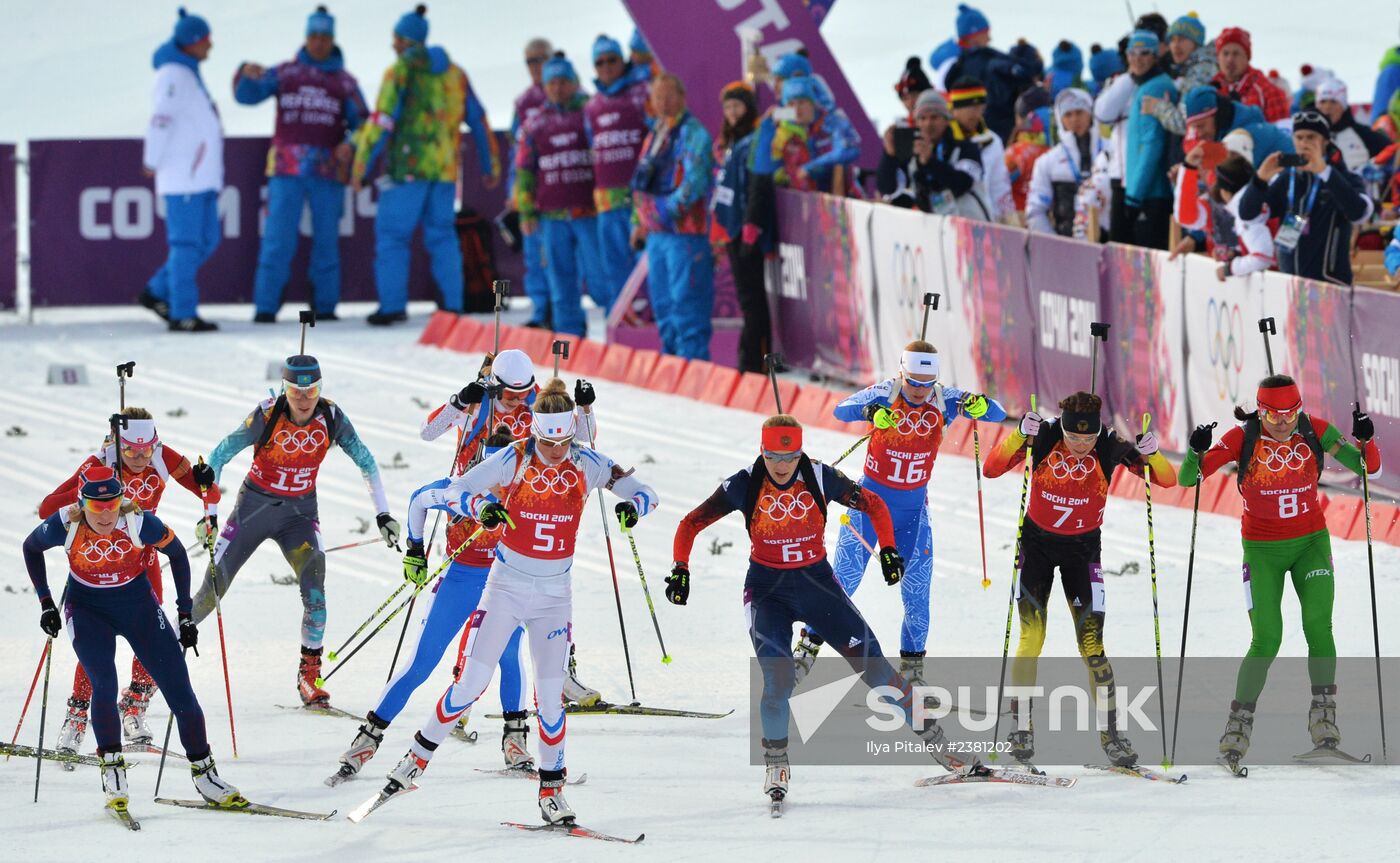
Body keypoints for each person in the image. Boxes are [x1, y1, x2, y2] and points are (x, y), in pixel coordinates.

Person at [372, 379, 658, 826]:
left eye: (564, 440)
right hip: (504, 588)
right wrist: (479, 506)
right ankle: (413, 761)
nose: (557, 450)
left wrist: (633, 508)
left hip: (553, 599)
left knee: (549, 699)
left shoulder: (587, 462)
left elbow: (647, 493)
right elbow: (451, 492)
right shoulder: (515, 455)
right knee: (470, 684)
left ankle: (551, 792)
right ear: (536, 431)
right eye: (549, 441)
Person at [667, 415, 976, 807]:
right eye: (774, 455)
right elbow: (690, 522)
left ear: (801, 452)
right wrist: (681, 568)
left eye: (790, 455)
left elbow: (875, 504)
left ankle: (939, 743)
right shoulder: (744, 482)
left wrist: (888, 548)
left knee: (876, 669)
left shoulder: (818, 475)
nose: (782, 465)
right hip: (768, 592)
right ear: (762, 450)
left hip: (817, 587)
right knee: (777, 683)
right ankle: (776, 762)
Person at [1180, 378, 1380, 769]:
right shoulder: (1243, 438)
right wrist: (1195, 451)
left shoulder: (1315, 429)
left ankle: (1324, 719)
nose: (1283, 422)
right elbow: (1191, 478)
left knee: (1319, 626)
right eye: (1273, 414)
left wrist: (1365, 440)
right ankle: (1238, 726)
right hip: (1262, 552)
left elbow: (1367, 467)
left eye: (1291, 413)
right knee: (1267, 638)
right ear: (1260, 409)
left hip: (1311, 545)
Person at [22, 467, 243, 814]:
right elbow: (30, 548)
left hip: (138, 606)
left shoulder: (138, 520)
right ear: (83, 504)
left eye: (113, 503)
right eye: (97, 507)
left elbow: (179, 554)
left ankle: (206, 775)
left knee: (179, 690)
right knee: (104, 684)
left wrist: (184, 613)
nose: (107, 513)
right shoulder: (65, 522)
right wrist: (46, 603)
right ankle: (114, 773)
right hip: (87, 610)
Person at [330, 428, 535, 785]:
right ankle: (366, 741)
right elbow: (417, 500)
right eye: (491, 467)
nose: (500, 478)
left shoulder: (524, 492)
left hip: (503, 584)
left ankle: (515, 742)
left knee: (509, 656)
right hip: (459, 582)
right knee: (420, 664)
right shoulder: (460, 488)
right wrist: (414, 548)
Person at [983, 392, 1177, 767]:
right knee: (1031, 638)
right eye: (1074, 439)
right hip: (1036, 549)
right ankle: (1020, 727)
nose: (1081, 447)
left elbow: (1167, 481)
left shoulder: (1110, 445)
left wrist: (1153, 454)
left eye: (1088, 440)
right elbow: (991, 469)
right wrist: (1016, 435)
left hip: (1083, 554)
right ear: (1062, 427)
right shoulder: (1043, 437)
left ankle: (1113, 735)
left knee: (1092, 647)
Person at [790, 343, 1003, 686]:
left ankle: (913, 675)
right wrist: (872, 412)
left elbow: (996, 412)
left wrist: (981, 403)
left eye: (926, 382)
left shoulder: (944, 398)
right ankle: (805, 651)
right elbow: (841, 411)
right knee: (843, 581)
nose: (919, 390)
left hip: (913, 511)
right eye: (913, 382)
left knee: (917, 593)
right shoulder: (886, 392)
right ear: (902, 373)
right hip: (869, 504)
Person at [193, 354, 399, 705]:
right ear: (284, 389)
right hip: (252, 511)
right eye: (295, 391)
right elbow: (218, 456)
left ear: (321, 388)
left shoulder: (332, 417)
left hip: (299, 518)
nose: (304, 400)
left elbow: (366, 462)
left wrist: (383, 514)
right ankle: (147, 676)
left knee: (316, 597)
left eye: (312, 390)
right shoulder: (268, 414)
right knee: (209, 594)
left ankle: (309, 676)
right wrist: (209, 514)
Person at [42, 409, 220, 757]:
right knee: (97, 647)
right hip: (93, 561)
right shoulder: (101, 463)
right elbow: (46, 508)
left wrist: (204, 478)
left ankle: (135, 707)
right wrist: (88, 495)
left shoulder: (165, 456)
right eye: (131, 452)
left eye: (147, 451)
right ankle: (77, 717)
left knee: (155, 639)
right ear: (117, 445)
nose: (140, 458)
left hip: (142, 560)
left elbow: (210, 494)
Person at [352, 5, 502, 326]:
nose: (392, 45)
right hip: (445, 172)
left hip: (405, 170)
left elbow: (381, 121)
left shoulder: (400, 72)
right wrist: (490, 165)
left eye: (395, 39)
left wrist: (361, 168)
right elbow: (477, 119)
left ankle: (392, 306)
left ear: (405, 40)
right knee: (443, 238)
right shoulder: (455, 74)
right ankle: (453, 307)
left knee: (393, 237)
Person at [235, 6, 367, 323]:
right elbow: (247, 96)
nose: (318, 43)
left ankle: (326, 305)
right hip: (286, 171)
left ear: (332, 39)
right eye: (313, 36)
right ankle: (265, 307)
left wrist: (349, 144)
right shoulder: (285, 73)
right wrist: (245, 73)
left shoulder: (344, 82)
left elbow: (364, 122)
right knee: (277, 240)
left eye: (324, 37)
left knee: (326, 242)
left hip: (327, 173)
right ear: (305, 38)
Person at [139, 8, 223, 333]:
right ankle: (182, 312)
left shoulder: (186, 73)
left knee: (207, 240)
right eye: (205, 40)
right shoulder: (173, 75)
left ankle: (156, 291)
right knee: (187, 245)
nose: (210, 46)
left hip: (200, 177)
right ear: (190, 42)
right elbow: (161, 119)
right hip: (184, 178)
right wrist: (152, 160)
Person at [515, 53, 607, 338]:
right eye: (551, 82)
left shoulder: (590, 113)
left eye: (563, 82)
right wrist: (527, 211)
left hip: (588, 212)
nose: (557, 88)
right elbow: (524, 169)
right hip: (552, 215)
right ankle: (568, 337)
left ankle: (616, 335)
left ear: (574, 82)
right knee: (560, 281)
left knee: (600, 278)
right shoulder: (535, 122)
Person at [630, 73, 715, 360]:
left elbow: (696, 183)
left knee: (686, 306)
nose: (663, 102)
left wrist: (661, 213)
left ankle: (695, 369)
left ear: (682, 97)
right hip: (657, 237)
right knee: (664, 306)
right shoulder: (655, 133)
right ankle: (672, 367)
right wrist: (638, 221)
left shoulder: (694, 134)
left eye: (668, 95)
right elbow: (639, 182)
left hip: (685, 235)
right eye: (657, 97)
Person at [1238, 110, 1374, 284]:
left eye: (1311, 137)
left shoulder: (1343, 176)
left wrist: (1325, 172)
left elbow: (1359, 212)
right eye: (1299, 137)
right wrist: (1259, 180)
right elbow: (1248, 215)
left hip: (1330, 285)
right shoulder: (1288, 177)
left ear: (1325, 141)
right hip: (1291, 284)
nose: (1304, 143)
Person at [585, 34, 652, 314]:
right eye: (599, 62)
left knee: (644, 267)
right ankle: (619, 321)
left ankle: (651, 320)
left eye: (612, 60)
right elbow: (593, 147)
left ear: (622, 60)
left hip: (638, 197)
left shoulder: (641, 93)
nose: (606, 67)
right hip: (607, 200)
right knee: (613, 267)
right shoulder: (592, 105)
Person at [710, 82, 766, 373]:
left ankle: (753, 362)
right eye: (728, 107)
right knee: (749, 297)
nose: (732, 112)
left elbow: (756, 185)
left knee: (753, 298)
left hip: (747, 228)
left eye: (737, 106)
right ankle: (751, 359)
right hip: (732, 229)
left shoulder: (752, 140)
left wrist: (750, 223)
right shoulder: (730, 142)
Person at [876, 89, 987, 217]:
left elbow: (962, 184)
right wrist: (889, 156)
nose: (928, 124)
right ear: (916, 122)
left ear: (946, 120)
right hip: (933, 232)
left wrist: (929, 162)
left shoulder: (967, 148)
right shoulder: (912, 155)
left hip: (972, 230)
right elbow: (887, 189)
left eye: (934, 117)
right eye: (922, 118)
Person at [1173, 151, 1275, 280]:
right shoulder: (1218, 205)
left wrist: (1230, 268)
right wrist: (1232, 254)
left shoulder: (1249, 209)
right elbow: (1186, 217)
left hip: (1266, 281)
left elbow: (1263, 256)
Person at [510, 38, 555, 328]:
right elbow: (515, 151)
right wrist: (512, 189)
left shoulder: (567, 94)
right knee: (532, 251)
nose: (535, 66)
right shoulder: (523, 102)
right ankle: (540, 310)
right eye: (530, 61)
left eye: (540, 59)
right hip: (531, 187)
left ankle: (560, 309)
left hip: (559, 187)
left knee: (558, 253)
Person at [944, 4, 1034, 141]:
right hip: (1001, 132)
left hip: (964, 137)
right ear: (974, 35)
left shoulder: (956, 67)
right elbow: (1026, 74)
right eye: (986, 32)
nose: (989, 38)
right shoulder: (990, 59)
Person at [1026, 88, 1109, 237]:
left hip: (1109, 241)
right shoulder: (1047, 161)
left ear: (1090, 114)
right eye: (1068, 114)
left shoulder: (1111, 150)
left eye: (1079, 112)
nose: (1074, 119)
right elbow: (1035, 210)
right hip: (1066, 244)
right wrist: (1054, 244)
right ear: (1060, 119)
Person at [1122, 30, 1176, 250]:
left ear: (1155, 56)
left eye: (1144, 53)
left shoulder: (1155, 87)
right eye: (1132, 52)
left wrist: (1135, 195)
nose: (1137, 58)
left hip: (1151, 193)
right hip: (1147, 190)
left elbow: (1152, 143)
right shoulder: (1145, 86)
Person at [1140, 12, 1217, 137]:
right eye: (1172, 40)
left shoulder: (1201, 72)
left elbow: (1185, 123)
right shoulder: (1194, 68)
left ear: (1196, 43)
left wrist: (1157, 107)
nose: (1176, 45)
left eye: (1182, 39)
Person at [1180, 86, 1293, 169]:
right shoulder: (1226, 133)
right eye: (1194, 128)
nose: (1199, 134)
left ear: (1218, 116)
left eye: (1201, 126)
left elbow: (1237, 188)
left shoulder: (1247, 135)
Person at [949, 78, 1013, 221]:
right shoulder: (945, 140)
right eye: (969, 108)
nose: (975, 114)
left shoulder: (992, 141)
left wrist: (1009, 220)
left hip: (984, 221)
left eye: (980, 108)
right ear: (955, 110)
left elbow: (1000, 186)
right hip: (952, 221)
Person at [1211, 28, 1290, 123]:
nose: (1230, 59)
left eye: (1236, 54)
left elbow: (1279, 133)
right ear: (1218, 57)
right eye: (1225, 53)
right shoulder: (1211, 90)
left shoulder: (1268, 92)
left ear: (1247, 57)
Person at [1314, 79, 1390, 175]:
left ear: (1343, 106)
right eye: (1323, 101)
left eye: (1333, 101)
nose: (1327, 107)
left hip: (1357, 188)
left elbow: (1393, 153)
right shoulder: (1307, 135)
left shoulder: (1363, 133)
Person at [1004, 88, 1053, 214]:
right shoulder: (1062, 149)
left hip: (1018, 219)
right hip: (1052, 221)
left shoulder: (1017, 153)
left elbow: (998, 185)